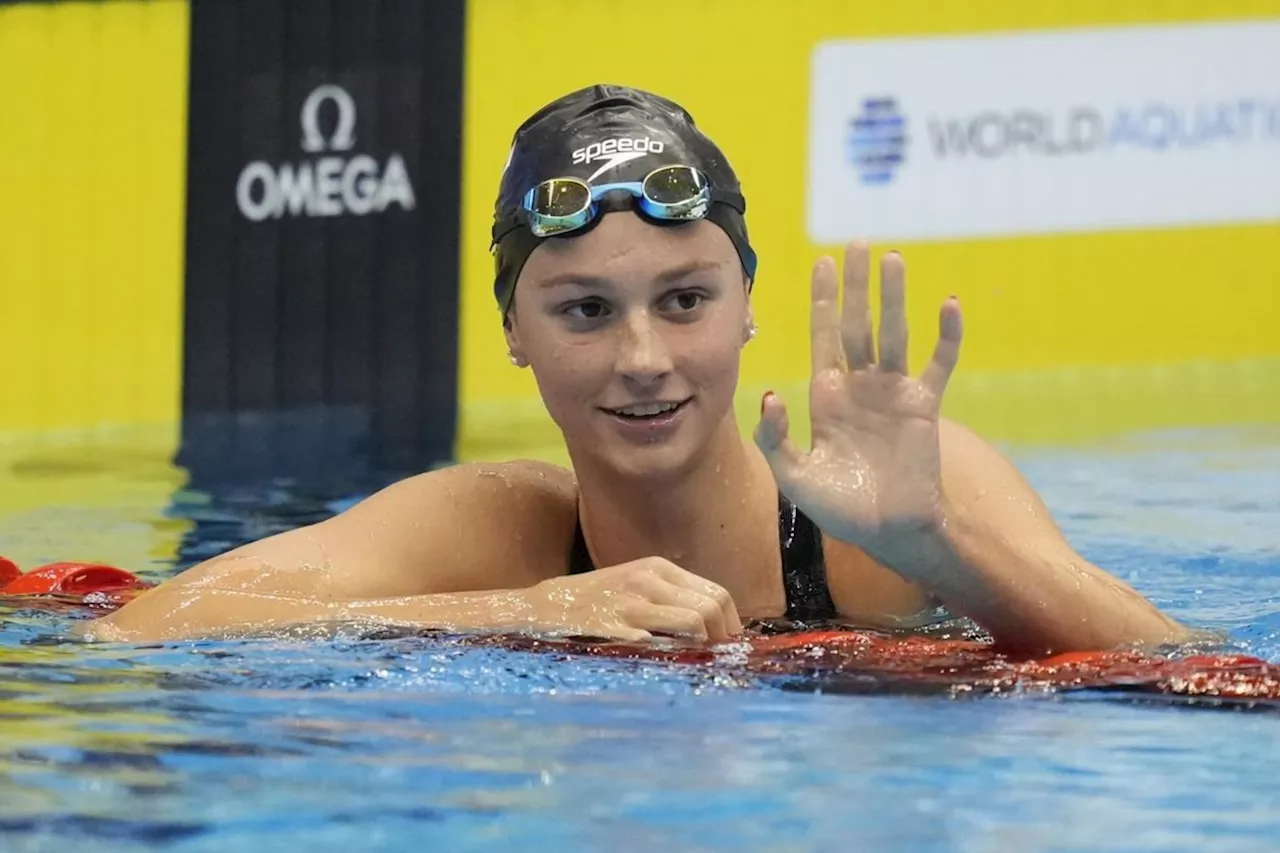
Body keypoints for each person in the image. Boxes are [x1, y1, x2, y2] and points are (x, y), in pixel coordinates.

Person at [88, 84, 1190, 653]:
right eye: (583, 310)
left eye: (684, 299)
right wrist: (521, 609)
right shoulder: (500, 530)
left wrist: (936, 546)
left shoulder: (887, 500)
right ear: (512, 329)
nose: (644, 359)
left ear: (747, 305)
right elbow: (131, 634)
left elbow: (1205, 676)